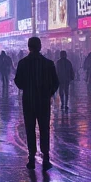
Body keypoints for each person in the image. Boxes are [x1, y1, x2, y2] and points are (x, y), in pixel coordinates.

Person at [14, 37, 59, 171]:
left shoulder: (23, 63)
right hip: (43, 102)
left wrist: (28, 88)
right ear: (40, 47)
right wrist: (48, 92)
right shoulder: (48, 64)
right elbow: (55, 82)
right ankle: (45, 158)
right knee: (44, 129)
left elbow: (18, 82)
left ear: (29, 47)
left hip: (28, 101)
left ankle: (31, 157)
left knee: (30, 129)